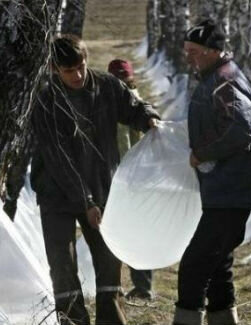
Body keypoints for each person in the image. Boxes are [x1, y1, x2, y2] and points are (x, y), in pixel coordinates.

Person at [29, 35, 160, 325]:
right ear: (54, 68)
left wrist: (148, 117)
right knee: (62, 266)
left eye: (80, 67)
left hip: (102, 187)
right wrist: (85, 201)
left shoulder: (107, 86)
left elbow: (133, 107)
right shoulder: (47, 102)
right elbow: (60, 159)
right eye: (68, 71)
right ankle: (73, 322)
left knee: (109, 261)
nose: (77, 75)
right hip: (56, 193)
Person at [173, 20, 251, 325]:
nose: (188, 57)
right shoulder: (215, 77)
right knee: (218, 266)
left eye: (193, 51)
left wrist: (201, 153)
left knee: (194, 265)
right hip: (226, 190)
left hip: (233, 192)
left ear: (212, 51)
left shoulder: (224, 81)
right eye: (187, 51)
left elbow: (243, 129)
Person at [107, 59, 156, 301]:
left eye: (123, 80)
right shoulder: (107, 103)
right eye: (117, 80)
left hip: (133, 178)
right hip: (121, 177)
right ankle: (122, 285)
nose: (120, 85)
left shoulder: (135, 105)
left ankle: (143, 288)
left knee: (135, 232)